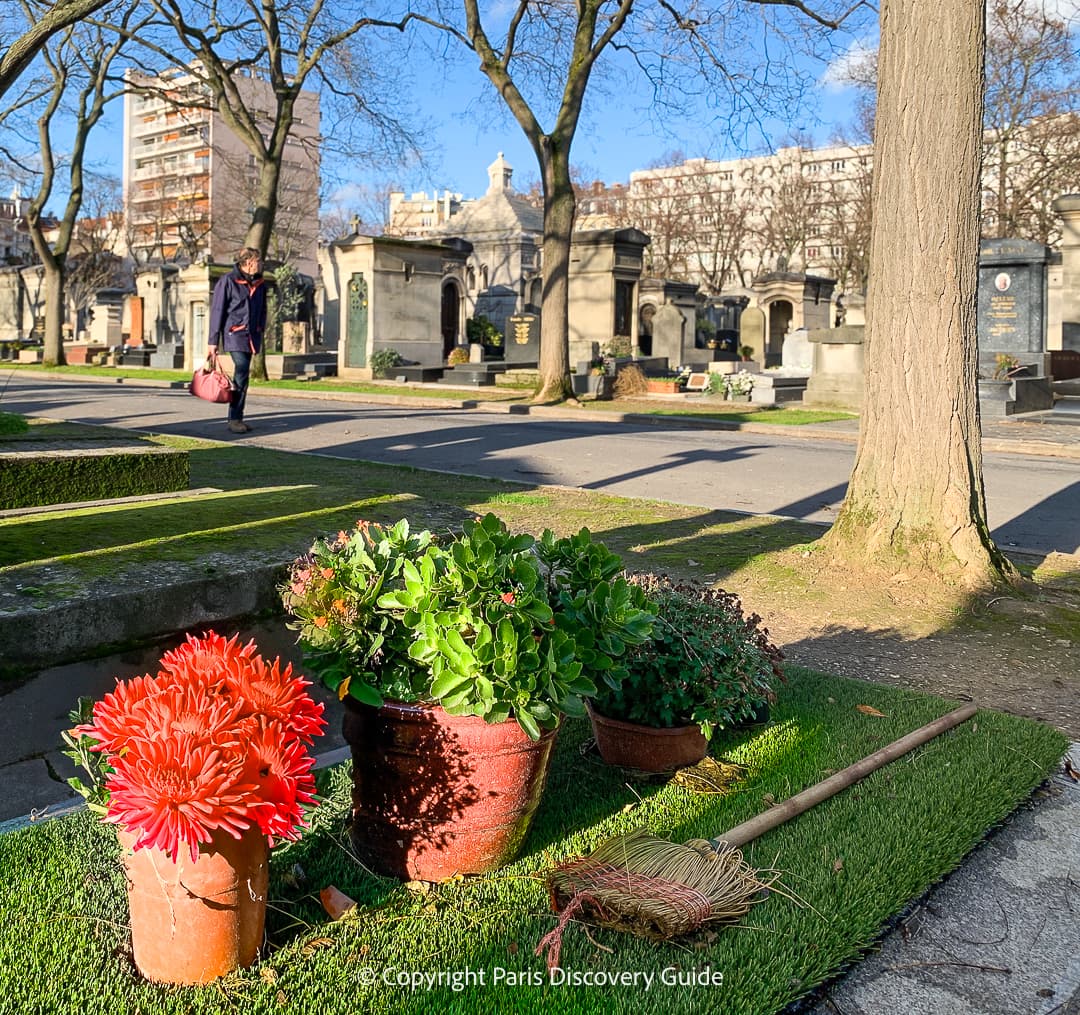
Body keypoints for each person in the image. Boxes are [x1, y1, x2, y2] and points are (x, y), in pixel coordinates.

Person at [207, 247, 266, 433]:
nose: (261, 263)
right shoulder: (227, 281)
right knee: (241, 370)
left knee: (243, 377)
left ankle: (237, 417)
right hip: (234, 334)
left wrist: (260, 328)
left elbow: (263, 309)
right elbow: (217, 311)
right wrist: (213, 342)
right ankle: (234, 419)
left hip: (251, 336)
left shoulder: (260, 283)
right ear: (249, 262)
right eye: (259, 260)